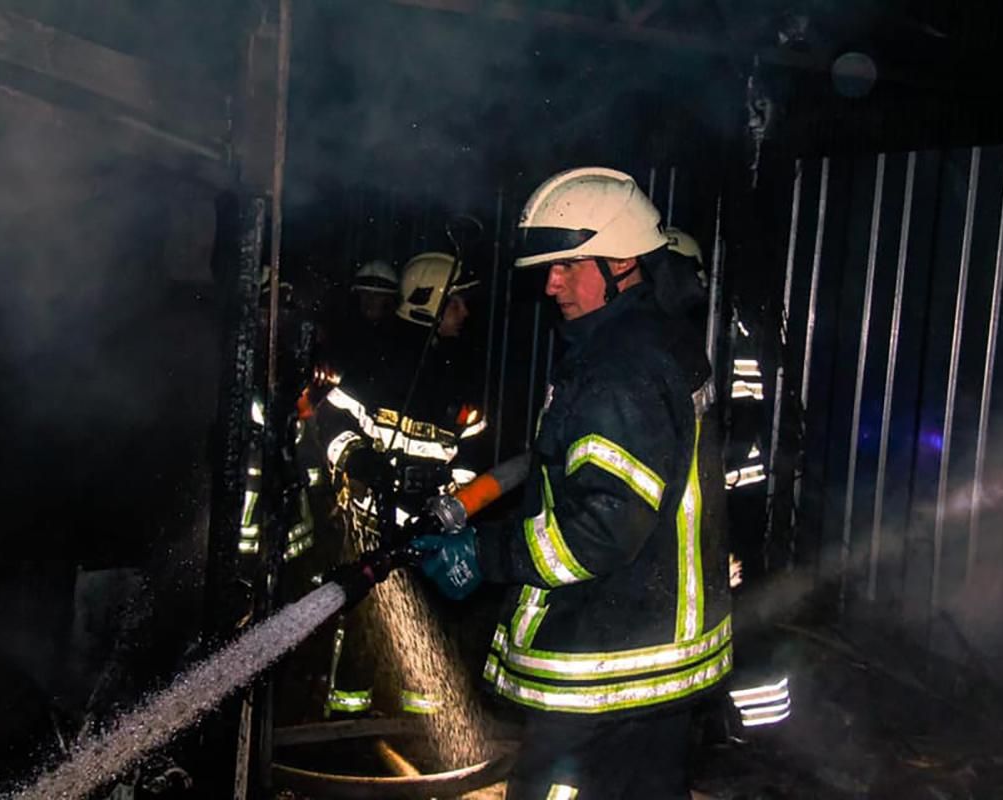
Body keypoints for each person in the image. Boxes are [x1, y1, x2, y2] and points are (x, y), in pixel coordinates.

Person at [413, 167, 733, 799]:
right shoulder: (654, 340)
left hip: (609, 662)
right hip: (649, 654)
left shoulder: (621, 369)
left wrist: (485, 554)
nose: (551, 283)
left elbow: (601, 530)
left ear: (623, 262)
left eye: (567, 265)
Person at [314, 250, 485, 717]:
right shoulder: (376, 361)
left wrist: (455, 501)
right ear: (429, 301)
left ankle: (420, 720)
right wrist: (359, 458)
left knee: (430, 624)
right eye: (456, 303)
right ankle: (346, 719)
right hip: (372, 521)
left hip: (431, 528)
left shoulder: (461, 372)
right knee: (366, 622)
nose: (464, 313)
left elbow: (472, 451)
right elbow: (331, 420)